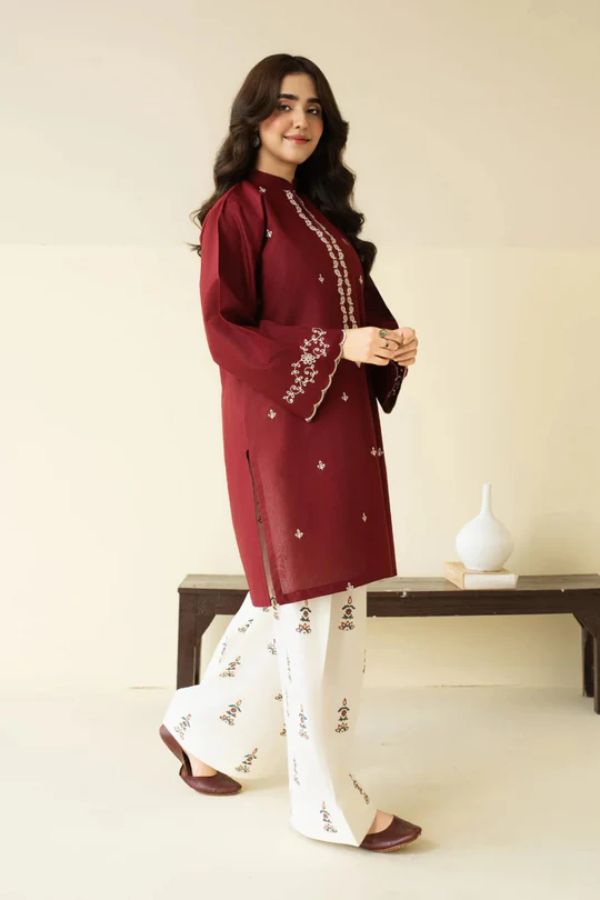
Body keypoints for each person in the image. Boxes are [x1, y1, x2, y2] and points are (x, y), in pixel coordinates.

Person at [160, 53, 420, 853]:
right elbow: (225, 331)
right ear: (253, 118)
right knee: (312, 609)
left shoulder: (320, 215)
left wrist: (389, 344)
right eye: (282, 106)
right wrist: (341, 344)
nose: (299, 121)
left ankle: (204, 730)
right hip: (279, 431)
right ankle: (326, 801)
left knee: (304, 599)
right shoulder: (238, 211)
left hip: (337, 428)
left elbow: (353, 316)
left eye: (312, 108)